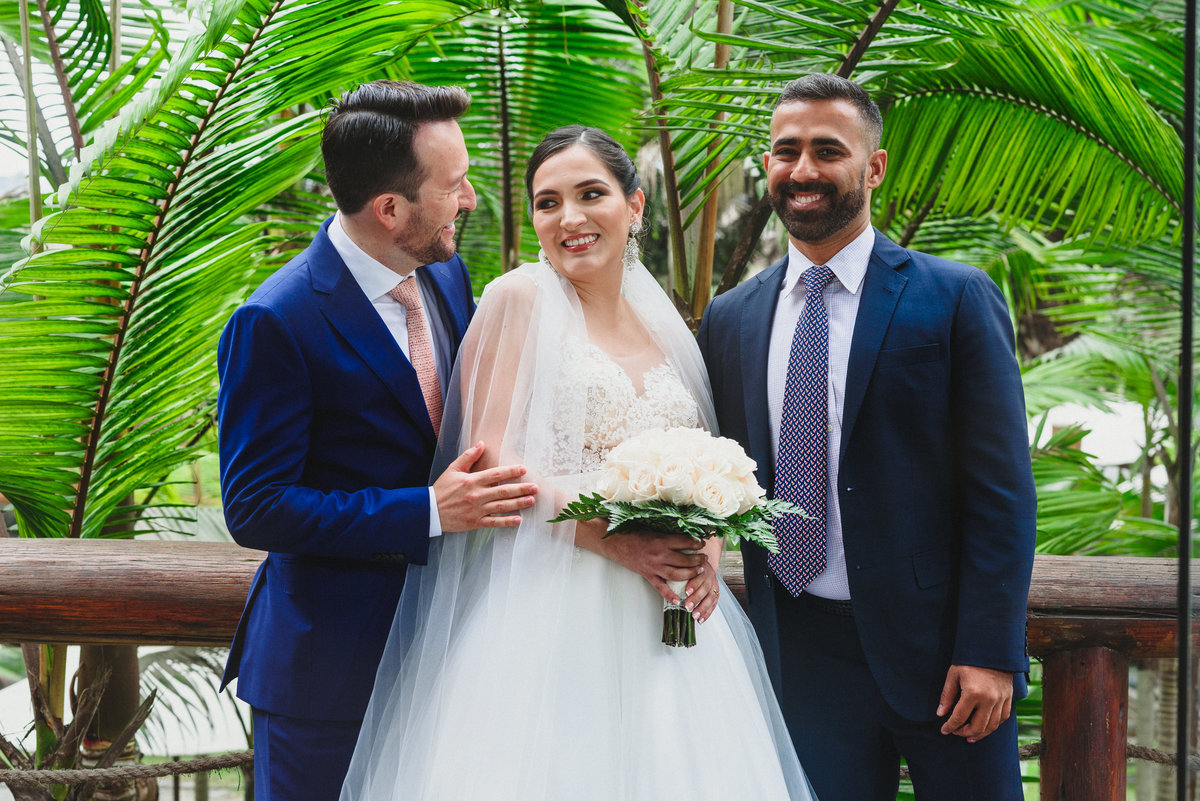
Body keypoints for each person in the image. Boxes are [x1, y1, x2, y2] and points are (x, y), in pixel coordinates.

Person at [339, 126, 817, 801]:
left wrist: (705, 555)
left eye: (591, 194)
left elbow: (708, 461)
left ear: (635, 205)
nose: (569, 218)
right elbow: (494, 463)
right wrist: (613, 537)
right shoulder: (518, 299)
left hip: (672, 619)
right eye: (548, 202)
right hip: (551, 606)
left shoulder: (667, 326)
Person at [698, 73, 1037, 800]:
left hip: (945, 657)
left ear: (874, 167)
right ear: (768, 163)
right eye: (786, 151)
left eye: (828, 150)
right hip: (801, 658)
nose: (803, 169)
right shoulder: (730, 318)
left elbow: (1002, 492)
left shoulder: (955, 295)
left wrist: (989, 650)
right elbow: (722, 478)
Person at [216, 80, 538, 801]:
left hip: (448, 653)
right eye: (453, 186)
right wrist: (426, 510)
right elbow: (257, 507)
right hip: (326, 675)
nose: (470, 200)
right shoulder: (274, 320)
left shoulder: (446, 275)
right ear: (390, 209)